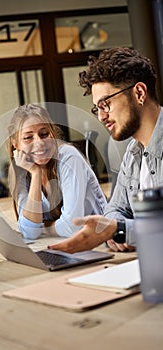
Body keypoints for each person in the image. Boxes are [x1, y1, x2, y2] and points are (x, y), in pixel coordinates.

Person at [48, 47, 163, 253]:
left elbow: (116, 225)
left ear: (139, 93)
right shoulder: (133, 152)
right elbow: (115, 209)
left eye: (105, 104)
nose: (101, 117)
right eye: (97, 108)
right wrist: (118, 229)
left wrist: (120, 230)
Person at [6, 103, 106, 240]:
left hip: (101, 242)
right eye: (28, 137)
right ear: (15, 144)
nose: (39, 142)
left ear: (52, 134)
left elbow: (72, 228)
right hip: (61, 244)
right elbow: (29, 232)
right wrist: (35, 174)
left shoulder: (69, 157)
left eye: (44, 134)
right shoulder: (22, 169)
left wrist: (41, 228)